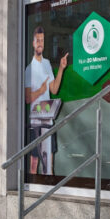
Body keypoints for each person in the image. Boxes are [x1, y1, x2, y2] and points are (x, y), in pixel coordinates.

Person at [24, 26, 69, 175]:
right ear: (32, 43)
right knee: (34, 165)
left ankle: (48, 190)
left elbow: (54, 89)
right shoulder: (29, 69)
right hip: (35, 122)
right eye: (37, 40)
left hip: (48, 119)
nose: (40, 43)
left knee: (49, 165)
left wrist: (61, 69)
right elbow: (27, 97)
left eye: (42, 40)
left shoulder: (47, 64)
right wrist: (41, 91)